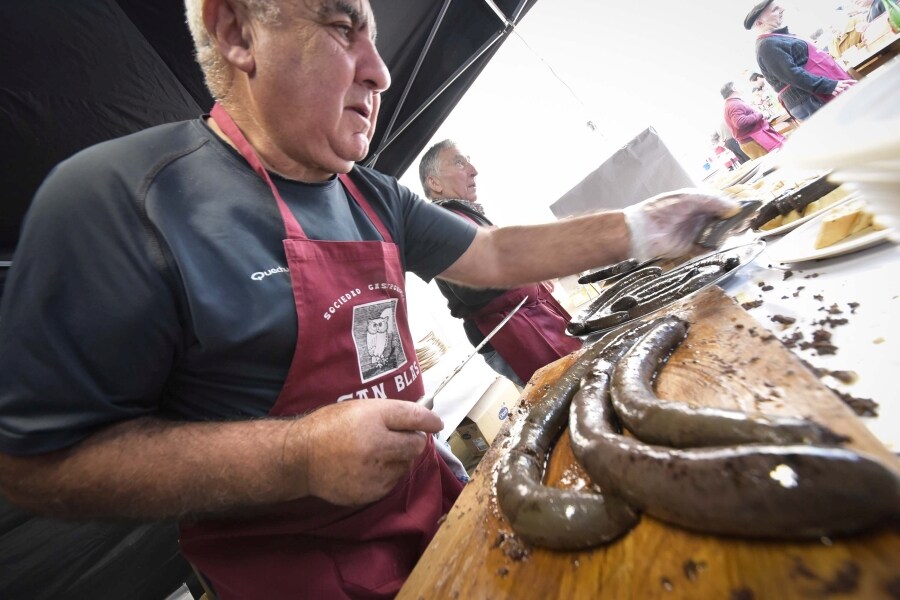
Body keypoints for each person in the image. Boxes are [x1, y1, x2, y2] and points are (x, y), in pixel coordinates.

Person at [0, 0, 736, 597]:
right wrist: (295, 456)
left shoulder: (369, 192)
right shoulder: (121, 200)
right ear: (238, 31)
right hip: (301, 578)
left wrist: (640, 225)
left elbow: (492, 253)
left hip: (447, 514)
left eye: (375, 35)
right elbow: (34, 464)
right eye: (341, 24)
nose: (379, 71)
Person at [418, 140, 582, 388]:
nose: (473, 170)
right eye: (460, 162)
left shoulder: (461, 214)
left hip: (530, 318)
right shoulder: (438, 223)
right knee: (566, 391)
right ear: (435, 183)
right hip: (512, 332)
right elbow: (476, 285)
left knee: (580, 380)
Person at [746, 0, 857, 121]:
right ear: (759, 23)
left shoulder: (776, 39)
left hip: (814, 95)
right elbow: (791, 74)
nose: (782, 10)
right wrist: (827, 86)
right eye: (775, 10)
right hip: (811, 98)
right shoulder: (766, 45)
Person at [720, 81, 786, 160]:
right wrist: (759, 114)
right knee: (775, 160)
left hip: (753, 139)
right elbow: (740, 122)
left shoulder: (731, 103)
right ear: (734, 89)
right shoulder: (734, 104)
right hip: (754, 140)